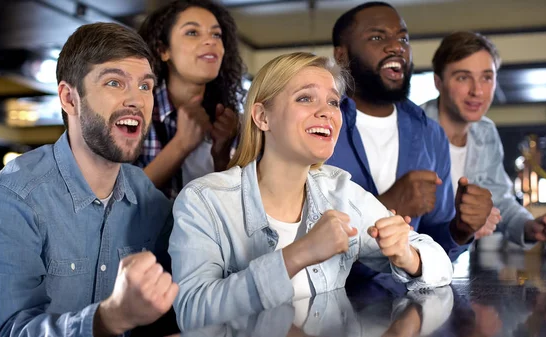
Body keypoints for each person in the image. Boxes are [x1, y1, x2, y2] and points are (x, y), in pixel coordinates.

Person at [169, 52, 453, 331]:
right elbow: (193, 314)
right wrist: (297, 254)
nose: (327, 112)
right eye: (305, 98)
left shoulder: (341, 193)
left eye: (333, 102)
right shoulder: (204, 200)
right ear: (262, 117)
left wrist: (408, 255)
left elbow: (440, 266)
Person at [0, 23, 178, 337]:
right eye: (114, 82)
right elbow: (10, 331)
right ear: (69, 99)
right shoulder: (8, 200)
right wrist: (109, 317)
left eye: (145, 86)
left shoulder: (150, 203)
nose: (137, 100)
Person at [327, 1, 493, 268]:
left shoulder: (430, 134)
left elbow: (434, 244)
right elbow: (293, 238)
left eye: (403, 37)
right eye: (377, 37)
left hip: (411, 302)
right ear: (342, 56)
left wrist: (460, 230)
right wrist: (384, 207)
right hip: (330, 303)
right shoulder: (320, 126)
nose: (397, 46)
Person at [421, 31, 546, 248]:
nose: (477, 91)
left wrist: (527, 226)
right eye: (463, 77)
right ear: (438, 82)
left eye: (486, 77)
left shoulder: (485, 132)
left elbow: (499, 200)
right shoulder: (411, 129)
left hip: (454, 265)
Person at [135, 0, 246, 199]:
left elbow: (232, 210)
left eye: (216, 34)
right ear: (163, 50)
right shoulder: (135, 113)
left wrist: (221, 156)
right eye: (192, 32)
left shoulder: (230, 123)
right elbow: (120, 203)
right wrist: (182, 144)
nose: (210, 41)